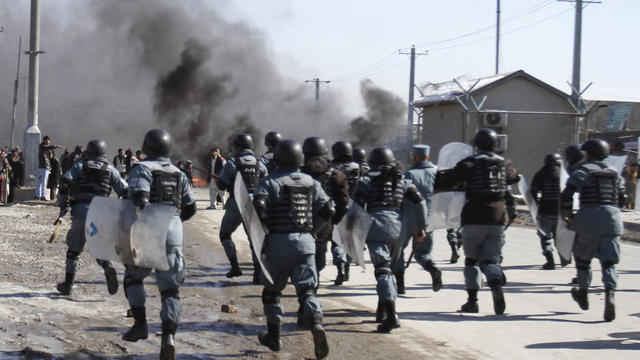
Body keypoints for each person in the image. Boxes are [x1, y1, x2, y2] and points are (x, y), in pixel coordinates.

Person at [121, 129, 196, 360]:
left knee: (133, 278)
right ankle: (168, 338)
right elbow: (191, 207)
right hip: (173, 233)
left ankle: (141, 324)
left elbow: (140, 198)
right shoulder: (179, 173)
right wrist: (172, 221)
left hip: (148, 231)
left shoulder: (142, 169)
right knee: (170, 290)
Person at [253, 139, 332, 359]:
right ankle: (316, 322)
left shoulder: (270, 181)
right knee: (307, 290)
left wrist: (265, 229)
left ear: (277, 158)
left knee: (272, 293)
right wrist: (313, 231)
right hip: (306, 244)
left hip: (278, 244)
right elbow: (327, 209)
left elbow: (258, 204)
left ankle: (274, 336)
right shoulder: (311, 182)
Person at [435, 128, 517, 315]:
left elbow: (447, 180)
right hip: (497, 217)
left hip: (473, 216)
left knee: (471, 260)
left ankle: (472, 301)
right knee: (491, 260)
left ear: (477, 145)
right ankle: (495, 284)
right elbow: (514, 178)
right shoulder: (506, 164)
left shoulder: (470, 163)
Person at [354, 147, 427, 332]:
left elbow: (358, 208)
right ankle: (382, 311)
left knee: (382, 272)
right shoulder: (404, 181)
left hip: (375, 228)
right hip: (398, 229)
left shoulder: (365, 181)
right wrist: (421, 228)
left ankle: (392, 315)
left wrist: (356, 234)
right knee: (390, 271)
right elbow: (420, 202)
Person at [561, 138, 625, 322]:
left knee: (583, 259)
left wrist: (568, 216)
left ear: (588, 154)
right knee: (609, 262)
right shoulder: (615, 174)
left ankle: (583, 292)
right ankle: (610, 294)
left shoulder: (583, 171)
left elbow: (567, 195)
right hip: (612, 219)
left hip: (588, 218)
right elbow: (621, 198)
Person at [55, 139, 129, 296]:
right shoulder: (111, 170)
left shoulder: (80, 166)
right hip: (101, 214)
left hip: (81, 212)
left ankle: (68, 285)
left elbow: (65, 182)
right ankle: (107, 266)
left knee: (74, 251)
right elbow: (125, 190)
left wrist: (62, 204)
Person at [216, 133, 268, 283]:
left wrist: (222, 181)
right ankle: (257, 274)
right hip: (256, 204)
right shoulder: (260, 164)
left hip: (237, 203)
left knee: (225, 235)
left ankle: (235, 267)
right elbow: (266, 182)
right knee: (254, 240)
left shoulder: (233, 163)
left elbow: (221, 184)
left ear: (237, 146)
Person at [393, 144, 442, 295]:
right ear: (428, 156)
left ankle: (400, 285)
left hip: (408, 217)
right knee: (423, 252)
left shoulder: (408, 174)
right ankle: (432, 267)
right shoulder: (436, 173)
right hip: (429, 218)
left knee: (399, 249)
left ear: (414, 157)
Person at [301, 137, 349, 287]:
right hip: (325, 221)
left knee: (304, 257)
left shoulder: (299, 171)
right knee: (319, 258)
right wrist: (334, 221)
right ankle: (313, 284)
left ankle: (308, 286)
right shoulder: (336, 174)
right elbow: (344, 204)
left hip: (301, 219)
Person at [330, 141, 361, 285]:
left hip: (337, 206)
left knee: (337, 241)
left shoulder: (332, 169)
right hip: (354, 206)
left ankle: (340, 267)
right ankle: (346, 270)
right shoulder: (357, 168)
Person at [529, 153, 563, 270]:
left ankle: (550, 259)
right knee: (561, 237)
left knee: (545, 236)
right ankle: (564, 258)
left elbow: (532, 192)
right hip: (561, 211)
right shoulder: (565, 175)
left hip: (545, 210)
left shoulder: (541, 174)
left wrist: (536, 207)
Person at [36, 136, 64, 200]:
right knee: (43, 182)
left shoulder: (43, 148)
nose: (48, 142)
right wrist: (56, 146)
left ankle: (37, 195)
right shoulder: (42, 146)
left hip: (43, 167)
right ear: (44, 140)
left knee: (40, 182)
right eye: (47, 140)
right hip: (44, 167)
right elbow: (48, 148)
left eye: (49, 140)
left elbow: (49, 157)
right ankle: (43, 196)